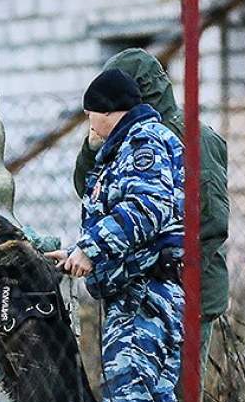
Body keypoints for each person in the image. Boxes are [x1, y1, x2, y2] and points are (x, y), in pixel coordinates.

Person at [45, 68, 185, 402]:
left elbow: (144, 210)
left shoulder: (145, 144)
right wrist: (74, 253)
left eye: (92, 118)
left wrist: (92, 249)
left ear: (109, 112)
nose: (90, 127)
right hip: (138, 292)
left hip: (145, 297)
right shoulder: (126, 147)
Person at [72, 48, 229, 363]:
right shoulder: (121, 137)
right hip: (136, 292)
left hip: (185, 294)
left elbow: (210, 220)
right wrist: (92, 149)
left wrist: (165, 272)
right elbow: (89, 193)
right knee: (139, 398)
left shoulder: (189, 138)